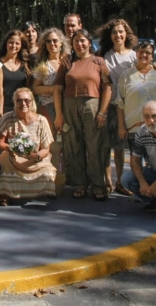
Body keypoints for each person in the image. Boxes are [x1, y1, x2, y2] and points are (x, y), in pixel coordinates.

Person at [53, 29, 112, 200]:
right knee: (74, 145)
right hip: (70, 105)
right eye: (76, 41)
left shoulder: (98, 61)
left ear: (89, 42)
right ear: (72, 44)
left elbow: (108, 87)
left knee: (95, 146)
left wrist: (103, 111)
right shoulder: (67, 63)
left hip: (93, 105)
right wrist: (59, 114)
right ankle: (79, 184)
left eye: (83, 40)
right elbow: (58, 89)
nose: (79, 44)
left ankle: (98, 185)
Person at [0, 88, 56, 205]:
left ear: (32, 102)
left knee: (47, 173)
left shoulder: (42, 120)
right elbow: (0, 142)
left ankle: (40, 191)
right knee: (5, 160)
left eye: (27, 100)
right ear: (14, 102)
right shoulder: (7, 118)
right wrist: (11, 149)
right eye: (19, 101)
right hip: (13, 156)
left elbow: (46, 149)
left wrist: (36, 156)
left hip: (35, 157)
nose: (23, 104)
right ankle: (4, 194)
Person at [97, 19, 137, 196]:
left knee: (126, 148)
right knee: (108, 145)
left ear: (127, 34)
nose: (118, 35)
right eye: (114, 32)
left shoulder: (134, 56)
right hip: (110, 106)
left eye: (121, 32)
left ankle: (123, 182)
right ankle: (108, 182)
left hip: (131, 107)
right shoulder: (104, 55)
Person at [116, 40, 156, 161]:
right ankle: (139, 181)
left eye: (147, 52)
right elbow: (120, 103)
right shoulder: (126, 75)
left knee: (155, 162)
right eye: (141, 52)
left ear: (152, 56)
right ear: (136, 54)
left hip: (155, 127)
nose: (144, 55)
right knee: (136, 162)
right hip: (133, 127)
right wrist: (121, 127)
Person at [32, 28, 69, 170]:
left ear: (61, 43)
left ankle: (68, 175)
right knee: (51, 143)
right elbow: (35, 88)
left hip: (67, 107)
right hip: (48, 107)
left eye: (55, 40)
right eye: (49, 41)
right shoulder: (42, 65)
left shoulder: (68, 61)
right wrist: (53, 90)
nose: (52, 44)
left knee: (68, 142)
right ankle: (52, 174)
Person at [0, 29, 30, 119]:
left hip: (22, 107)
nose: (14, 46)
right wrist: (0, 110)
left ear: (21, 45)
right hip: (4, 108)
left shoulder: (25, 63)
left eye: (17, 43)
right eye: (11, 42)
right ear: (6, 43)